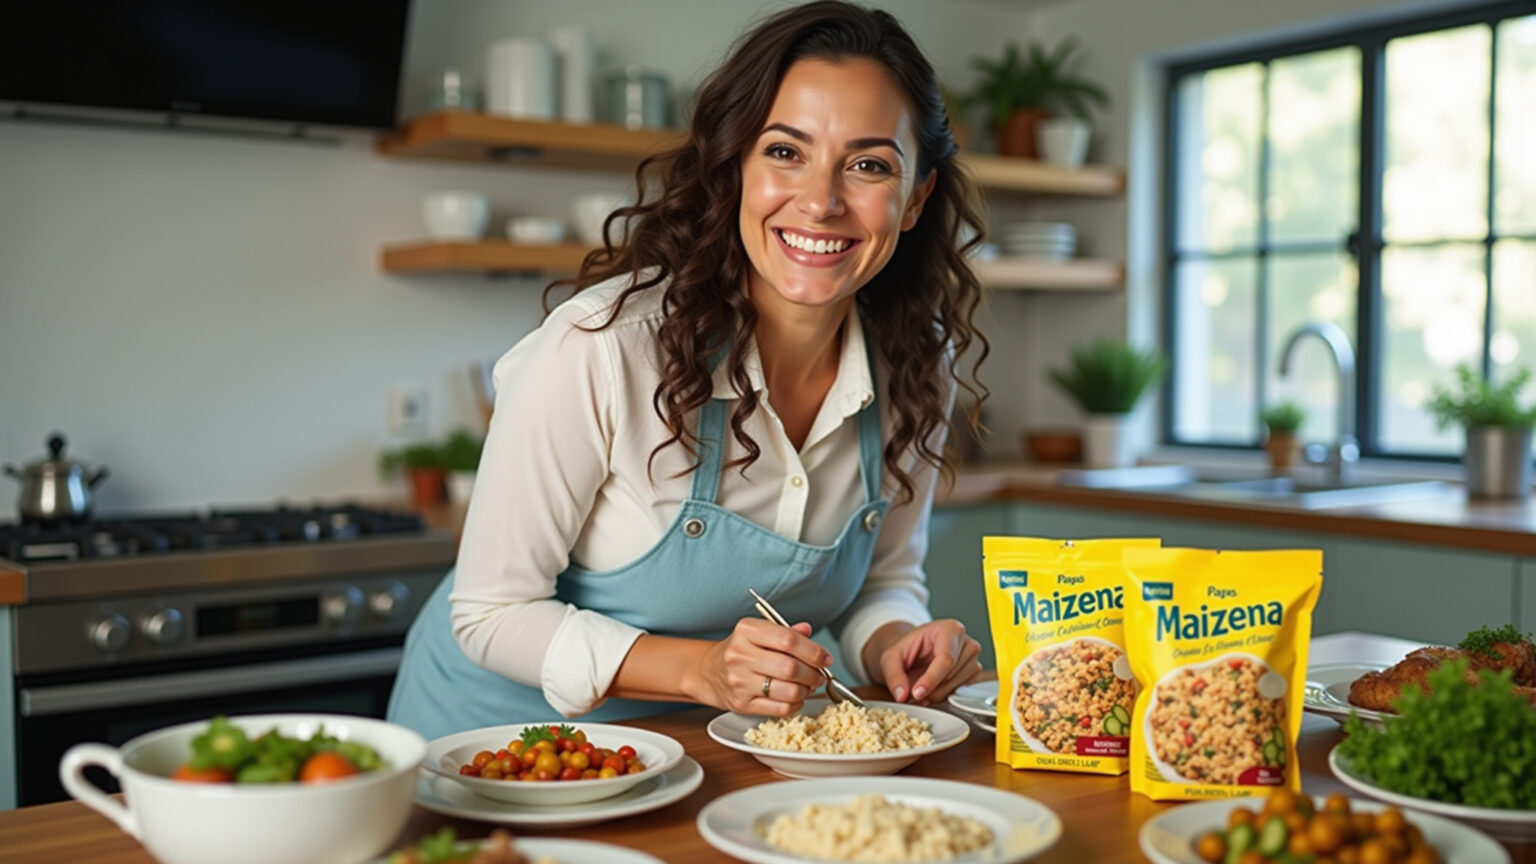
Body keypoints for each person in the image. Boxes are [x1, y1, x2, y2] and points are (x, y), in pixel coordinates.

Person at [388, 0, 990, 741]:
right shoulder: (603, 348)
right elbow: (490, 613)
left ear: (916, 198)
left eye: (868, 165)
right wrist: (701, 671)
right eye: (784, 152)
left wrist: (896, 641)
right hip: (496, 746)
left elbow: (887, 581)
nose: (822, 201)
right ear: (733, 166)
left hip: (720, 754)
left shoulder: (918, 362)